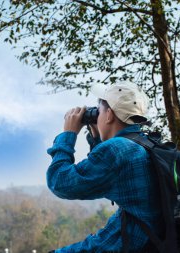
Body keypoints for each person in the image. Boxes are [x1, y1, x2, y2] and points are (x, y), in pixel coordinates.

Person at [46, 82, 162, 252]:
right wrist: (96, 137)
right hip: (150, 241)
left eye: (98, 111)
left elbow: (60, 182)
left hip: (129, 244)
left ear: (109, 115)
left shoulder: (118, 150)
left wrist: (67, 135)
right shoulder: (148, 144)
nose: (96, 116)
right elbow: (108, 176)